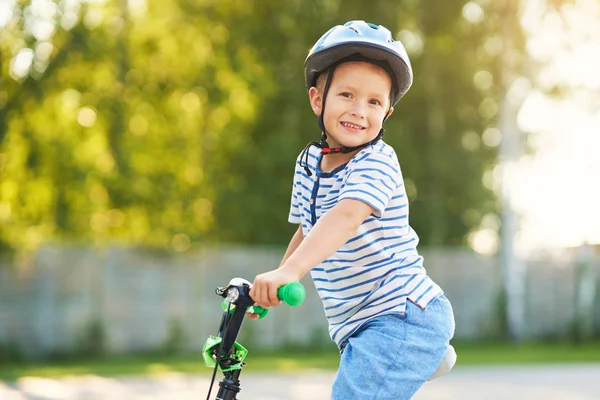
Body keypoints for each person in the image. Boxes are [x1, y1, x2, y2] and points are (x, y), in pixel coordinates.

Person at [249, 20, 456, 399]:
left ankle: (418, 347)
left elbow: (345, 216)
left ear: (387, 113)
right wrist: (281, 277)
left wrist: (292, 270)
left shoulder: (377, 161)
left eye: (375, 101)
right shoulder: (308, 163)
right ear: (317, 99)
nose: (360, 110)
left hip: (400, 313)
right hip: (358, 326)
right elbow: (307, 229)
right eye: (346, 95)